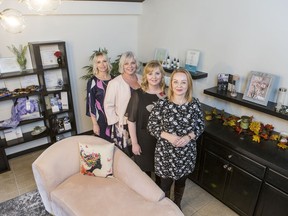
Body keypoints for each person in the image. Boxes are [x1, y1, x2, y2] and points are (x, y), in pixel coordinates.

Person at [147, 68, 205, 209]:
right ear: (171, 84)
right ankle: (166, 209)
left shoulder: (195, 104)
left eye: (183, 82)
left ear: (188, 85)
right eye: (176, 82)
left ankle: (177, 206)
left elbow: (201, 125)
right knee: (165, 185)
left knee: (181, 183)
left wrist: (189, 137)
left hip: (186, 153)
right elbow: (151, 126)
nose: (179, 86)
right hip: (166, 154)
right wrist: (169, 136)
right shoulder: (162, 104)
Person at [126, 60, 166, 185]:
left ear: (162, 75)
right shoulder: (138, 94)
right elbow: (131, 121)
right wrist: (134, 143)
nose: (153, 77)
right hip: (143, 140)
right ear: (145, 76)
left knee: (162, 173)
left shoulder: (167, 94)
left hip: (162, 140)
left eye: (157, 73)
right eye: (150, 74)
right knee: (145, 175)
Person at [104, 51, 141, 156]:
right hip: (123, 125)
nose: (130, 66)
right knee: (126, 154)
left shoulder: (142, 79)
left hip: (140, 122)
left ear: (136, 64)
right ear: (122, 66)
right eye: (126, 63)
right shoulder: (115, 83)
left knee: (139, 151)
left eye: (132, 63)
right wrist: (117, 122)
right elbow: (108, 105)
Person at [86, 52, 113, 141]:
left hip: (114, 117)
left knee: (116, 144)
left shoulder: (114, 79)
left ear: (108, 62)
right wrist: (95, 124)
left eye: (104, 61)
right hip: (101, 119)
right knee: (103, 144)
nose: (102, 64)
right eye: (98, 62)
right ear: (95, 65)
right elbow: (91, 104)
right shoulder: (93, 81)